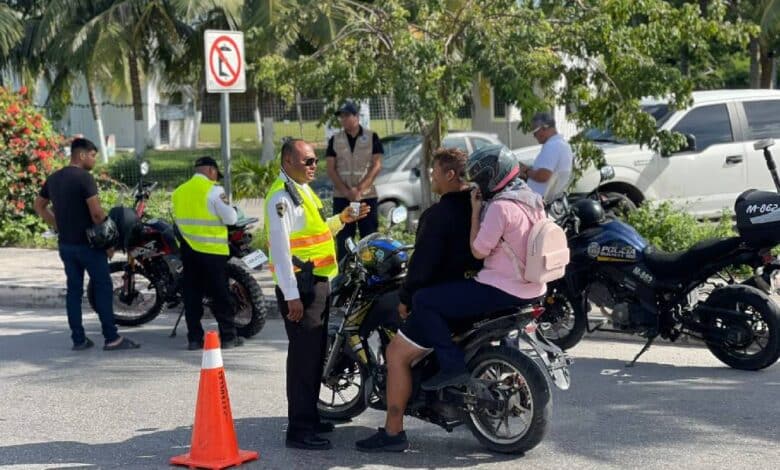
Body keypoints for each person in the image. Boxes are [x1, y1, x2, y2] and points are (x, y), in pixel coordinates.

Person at [356, 144, 546, 452]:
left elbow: (423, 267)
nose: (431, 176)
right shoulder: (489, 204)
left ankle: (393, 433)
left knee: (396, 353)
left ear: (449, 174)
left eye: (434, 171)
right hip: (497, 296)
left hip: (463, 300)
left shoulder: (440, 214)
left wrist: (406, 296)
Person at [265, 138, 370, 451]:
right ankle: (299, 430)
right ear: (287, 162)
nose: (313, 166)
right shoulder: (280, 198)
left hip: (317, 284)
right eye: (307, 161)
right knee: (303, 361)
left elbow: (317, 231)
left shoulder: (301, 190)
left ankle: (309, 417)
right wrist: (292, 295)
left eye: (314, 160)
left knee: (313, 359)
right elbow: (282, 252)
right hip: (302, 288)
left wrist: (342, 220)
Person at [34, 138, 140, 351]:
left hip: (66, 245)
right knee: (103, 287)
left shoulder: (54, 178)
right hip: (89, 247)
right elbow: (97, 213)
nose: (94, 159)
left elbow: (39, 206)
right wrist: (109, 242)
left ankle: (79, 339)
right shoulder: (85, 178)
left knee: (73, 291)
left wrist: (58, 224)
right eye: (93, 155)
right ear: (81, 155)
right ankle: (112, 338)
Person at [172, 156, 240, 351]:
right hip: (213, 252)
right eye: (215, 175)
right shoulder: (214, 191)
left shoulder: (178, 192)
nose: (215, 179)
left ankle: (194, 338)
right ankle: (228, 337)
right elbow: (231, 218)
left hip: (189, 250)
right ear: (211, 170)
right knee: (220, 295)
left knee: (192, 296)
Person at [326, 101, 384, 261]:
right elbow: (330, 168)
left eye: (347, 115)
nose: (343, 119)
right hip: (342, 197)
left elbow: (377, 165)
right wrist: (347, 192)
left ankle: (371, 270)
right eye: (341, 117)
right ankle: (345, 272)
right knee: (344, 238)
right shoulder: (335, 140)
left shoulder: (372, 137)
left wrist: (359, 190)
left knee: (370, 237)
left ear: (357, 117)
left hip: (366, 196)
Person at [519, 112, 573, 201]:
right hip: (550, 199)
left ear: (545, 127)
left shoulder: (552, 146)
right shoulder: (563, 144)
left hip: (539, 202)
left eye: (534, 131)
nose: (534, 136)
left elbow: (543, 176)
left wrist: (526, 170)